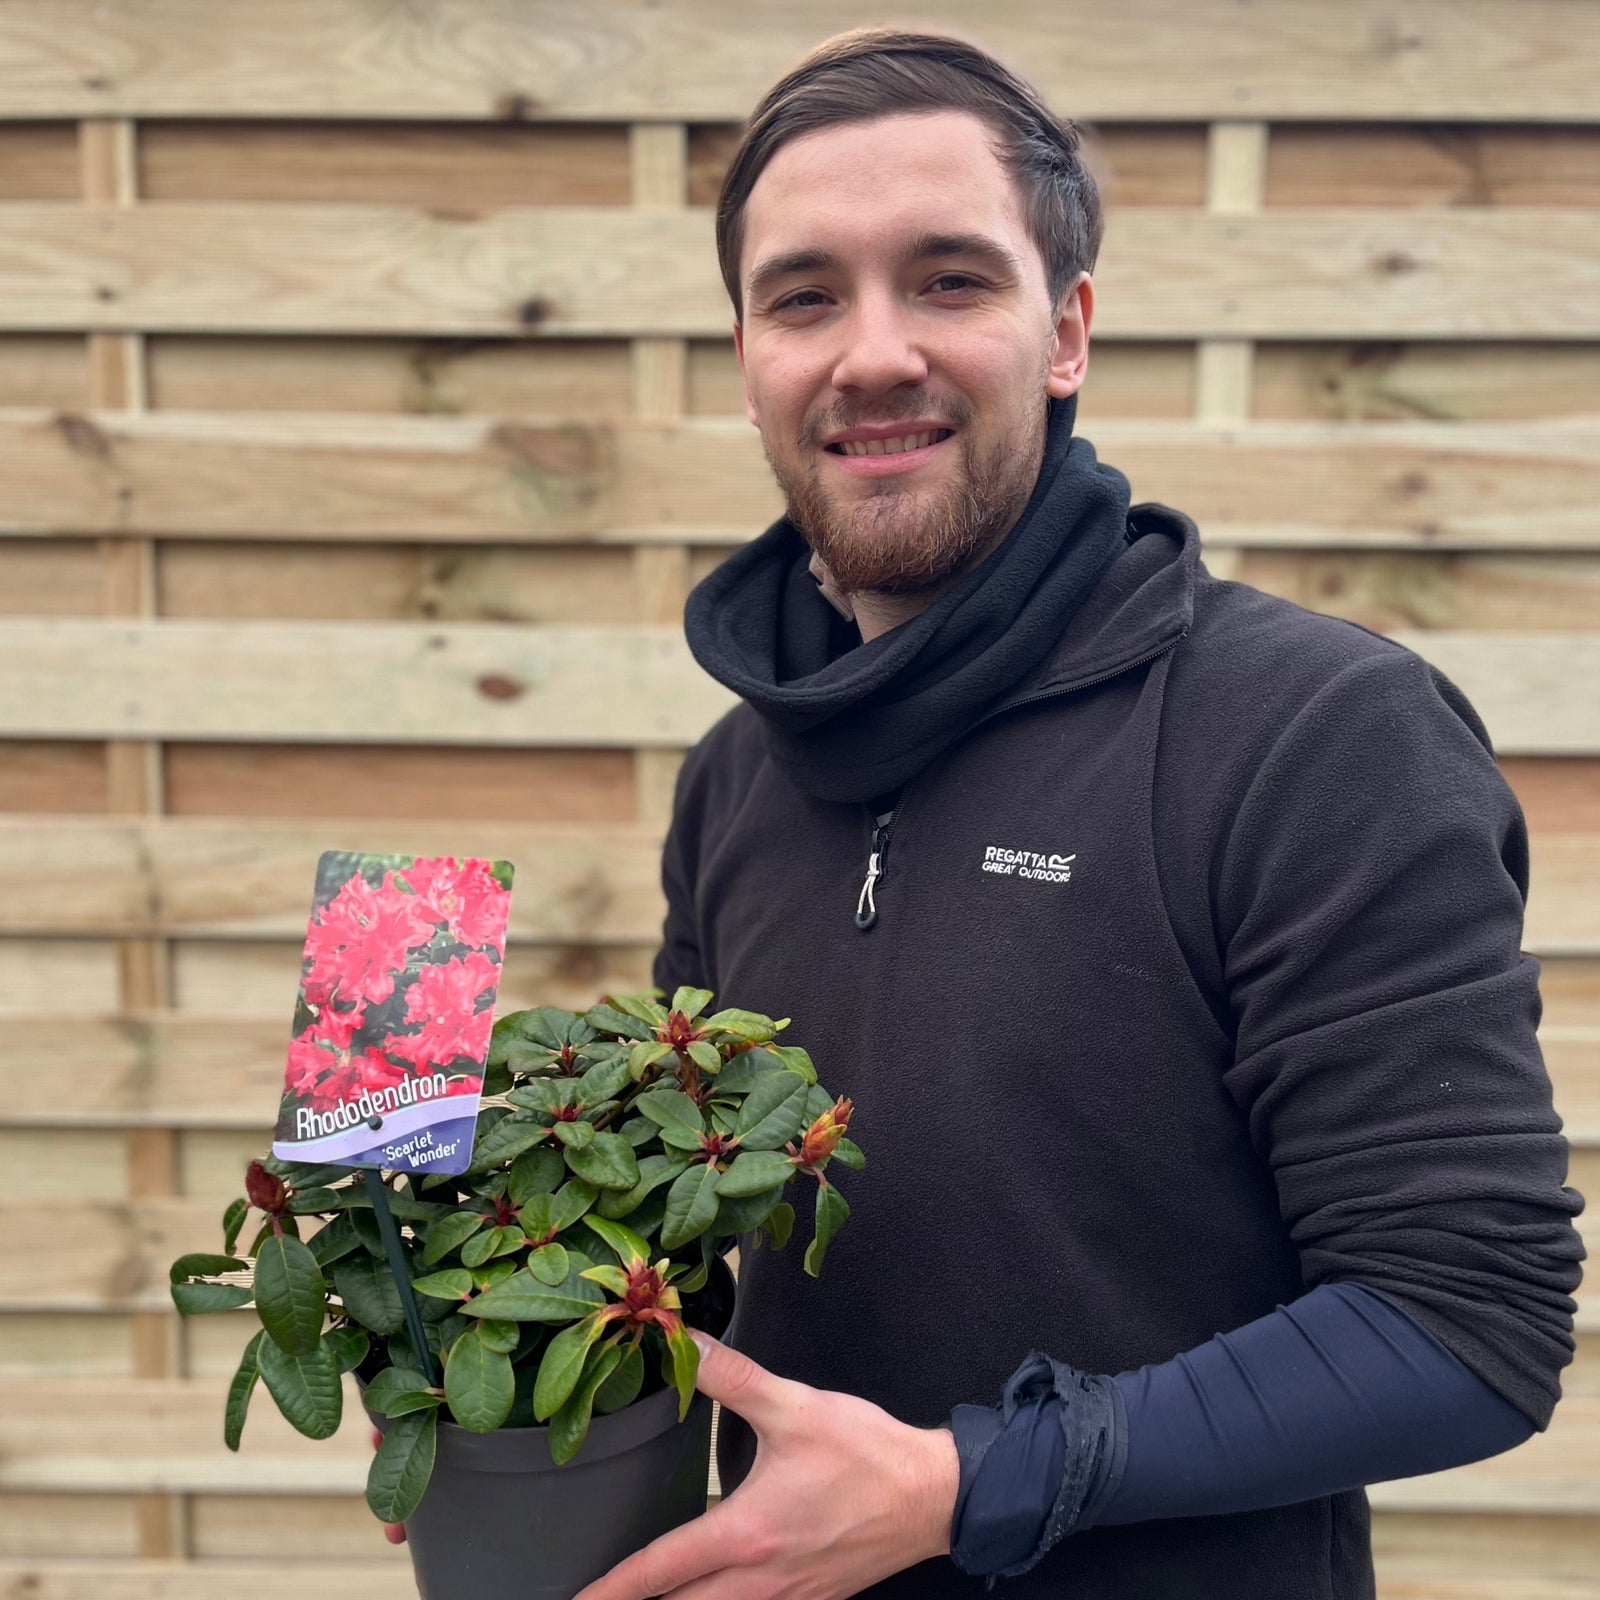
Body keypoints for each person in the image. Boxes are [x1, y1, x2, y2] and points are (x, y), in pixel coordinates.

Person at [559, 28, 1585, 1600]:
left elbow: (1467, 1316)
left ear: (1068, 332)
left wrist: (960, 1486)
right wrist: (481, 1391)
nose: (873, 351)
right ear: (751, 354)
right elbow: (687, 1244)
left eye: (952, 280)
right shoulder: (739, 775)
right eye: (805, 294)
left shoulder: (1312, 735)